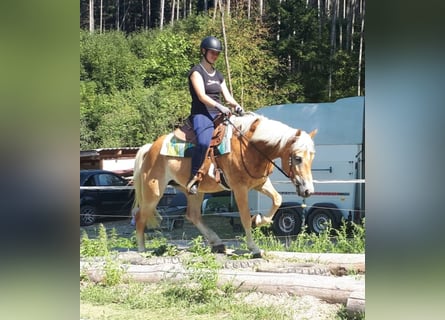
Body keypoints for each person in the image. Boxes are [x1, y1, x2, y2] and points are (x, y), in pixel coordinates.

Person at [186, 36, 244, 195]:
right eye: (212, 52)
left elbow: (227, 97)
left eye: (217, 53)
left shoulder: (218, 75)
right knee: (204, 142)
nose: (215, 56)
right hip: (202, 114)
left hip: (220, 114)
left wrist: (237, 106)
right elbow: (202, 96)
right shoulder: (196, 72)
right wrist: (220, 107)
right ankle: (194, 178)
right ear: (203, 51)